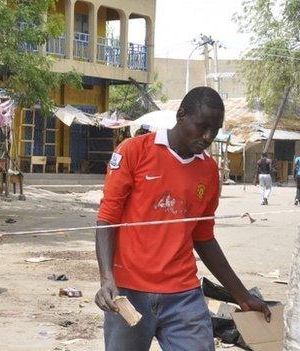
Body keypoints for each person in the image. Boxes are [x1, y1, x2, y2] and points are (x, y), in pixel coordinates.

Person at [95, 87, 270, 351]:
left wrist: (241, 295)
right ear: (181, 115)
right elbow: (107, 219)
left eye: (215, 129)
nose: (208, 136)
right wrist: (107, 279)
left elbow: (204, 237)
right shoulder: (134, 151)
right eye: (202, 127)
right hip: (128, 292)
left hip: (183, 295)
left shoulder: (209, 171)